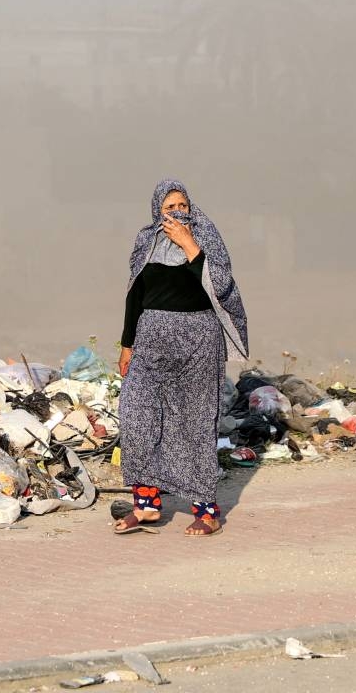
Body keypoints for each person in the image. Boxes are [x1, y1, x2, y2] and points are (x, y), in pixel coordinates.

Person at [115, 179, 248, 537]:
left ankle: (206, 511)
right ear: (157, 210)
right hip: (150, 344)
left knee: (194, 424)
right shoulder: (147, 241)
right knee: (135, 415)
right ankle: (146, 505)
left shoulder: (206, 238)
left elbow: (220, 285)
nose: (176, 211)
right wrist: (127, 345)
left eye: (183, 204)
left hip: (198, 344)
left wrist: (189, 245)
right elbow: (135, 294)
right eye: (169, 206)